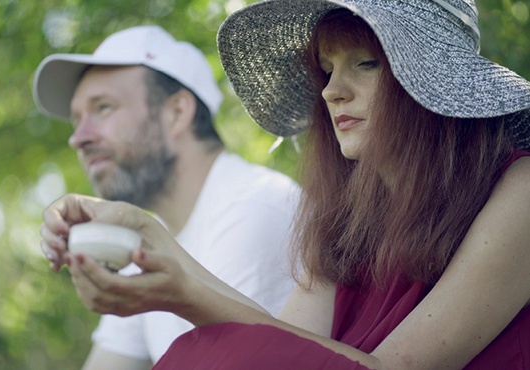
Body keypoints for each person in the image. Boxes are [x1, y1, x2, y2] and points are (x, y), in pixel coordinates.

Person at [41, 1, 530, 369]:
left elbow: (391, 368)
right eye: (327, 67)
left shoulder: (519, 186)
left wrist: (182, 287)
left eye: (366, 62)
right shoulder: (345, 219)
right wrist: (153, 241)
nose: (332, 90)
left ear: (434, 78)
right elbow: (282, 347)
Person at [33, 25, 300, 369]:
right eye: (76, 119)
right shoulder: (144, 242)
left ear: (176, 113)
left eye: (103, 108)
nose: (78, 138)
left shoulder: (254, 208)